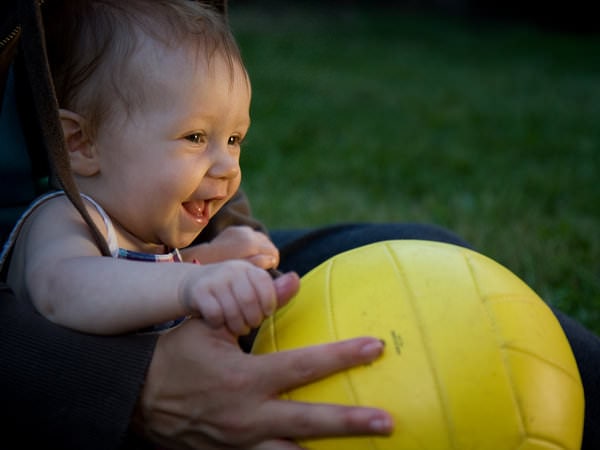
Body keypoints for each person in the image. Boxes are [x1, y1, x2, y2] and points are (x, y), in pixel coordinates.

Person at [1, 1, 598, 449]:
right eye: (195, 138)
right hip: (73, 407)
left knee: (425, 253)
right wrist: (190, 285)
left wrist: (224, 253)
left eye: (236, 139)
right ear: (80, 143)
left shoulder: (153, 231)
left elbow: (162, 270)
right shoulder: (64, 222)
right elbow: (68, 289)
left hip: (198, 365)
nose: (228, 165)